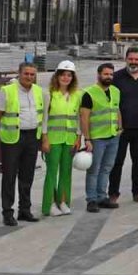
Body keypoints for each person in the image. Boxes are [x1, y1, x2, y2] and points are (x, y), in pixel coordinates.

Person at [0, 62, 46, 225]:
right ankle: (8, 212)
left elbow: (43, 116)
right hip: (12, 138)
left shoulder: (39, 91)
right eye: (26, 74)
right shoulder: (7, 90)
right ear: (19, 73)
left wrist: (43, 137)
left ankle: (25, 210)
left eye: (32, 74)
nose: (29, 77)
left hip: (32, 137)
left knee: (27, 176)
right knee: (9, 176)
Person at [109, 47, 138, 205]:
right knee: (116, 162)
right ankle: (113, 193)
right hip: (120, 129)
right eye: (131, 59)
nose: (134, 62)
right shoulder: (116, 77)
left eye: (137, 59)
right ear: (126, 59)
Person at [40, 60, 82, 216]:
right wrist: (44, 138)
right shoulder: (49, 94)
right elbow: (44, 118)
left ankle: (63, 202)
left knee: (66, 171)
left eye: (69, 75)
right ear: (57, 76)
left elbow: (78, 118)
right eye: (63, 75)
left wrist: (79, 137)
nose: (66, 78)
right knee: (52, 171)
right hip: (52, 139)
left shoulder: (77, 95)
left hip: (70, 139)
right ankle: (49, 205)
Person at [79, 62, 122, 213]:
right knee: (93, 170)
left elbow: (116, 110)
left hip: (113, 136)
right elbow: (84, 118)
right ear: (98, 75)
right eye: (106, 74)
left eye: (111, 74)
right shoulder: (89, 93)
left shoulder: (116, 91)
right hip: (97, 138)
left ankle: (102, 197)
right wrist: (87, 139)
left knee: (106, 169)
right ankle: (91, 199)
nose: (109, 77)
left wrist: (120, 127)